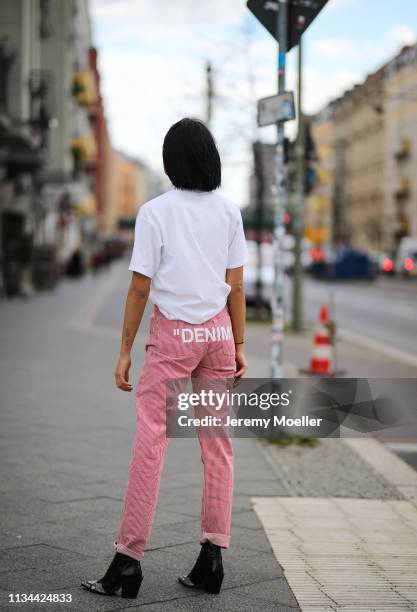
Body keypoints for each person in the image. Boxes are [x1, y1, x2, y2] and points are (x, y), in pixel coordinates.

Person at [81, 118, 248, 599]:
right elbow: (234, 285)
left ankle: (128, 563)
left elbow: (139, 288)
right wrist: (239, 345)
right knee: (217, 446)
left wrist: (124, 350)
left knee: (152, 442)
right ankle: (211, 560)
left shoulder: (155, 212)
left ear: (171, 161)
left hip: (173, 337)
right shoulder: (230, 213)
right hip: (218, 333)